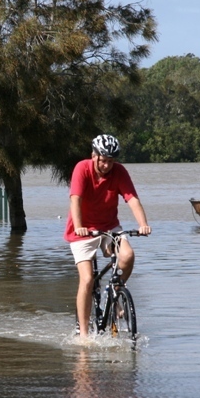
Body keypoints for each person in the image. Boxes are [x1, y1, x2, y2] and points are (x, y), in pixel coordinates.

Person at [64, 134, 151, 338]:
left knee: (127, 255)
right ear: (93, 156)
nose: (106, 165)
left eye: (111, 161)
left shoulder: (119, 172)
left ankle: (116, 291)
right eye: (103, 160)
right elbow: (75, 199)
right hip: (82, 230)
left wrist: (143, 224)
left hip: (109, 227)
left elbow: (132, 199)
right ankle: (84, 335)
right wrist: (79, 227)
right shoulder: (82, 168)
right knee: (86, 280)